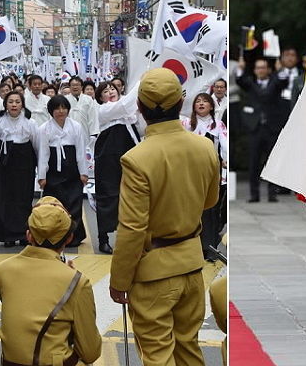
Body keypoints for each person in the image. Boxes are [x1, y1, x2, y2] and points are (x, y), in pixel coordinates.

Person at [110, 68, 220, 366]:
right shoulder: (205, 146)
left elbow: (132, 229)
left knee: (158, 356)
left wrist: (119, 281)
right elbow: (210, 201)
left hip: (154, 273)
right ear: (181, 101)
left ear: (140, 107)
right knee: (189, 350)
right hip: (191, 263)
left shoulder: (137, 159)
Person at [0, 196, 102, 366]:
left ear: (29, 235)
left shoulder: (1, 270)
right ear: (69, 238)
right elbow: (90, 352)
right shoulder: (77, 282)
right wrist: (67, 273)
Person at [0, 91, 39, 247]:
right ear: (5, 104)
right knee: (2, 198)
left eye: (17, 102)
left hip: (24, 163)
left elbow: (37, 146)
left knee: (23, 198)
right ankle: (6, 235)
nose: (14, 105)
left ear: (22, 104)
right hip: (2, 164)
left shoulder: (30, 123)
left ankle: (23, 233)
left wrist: (42, 167)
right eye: (11, 102)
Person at [93, 82, 139, 254]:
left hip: (130, 153)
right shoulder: (104, 110)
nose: (110, 92)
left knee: (132, 196)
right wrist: (141, 81)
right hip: (108, 156)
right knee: (108, 196)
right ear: (100, 97)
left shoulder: (129, 113)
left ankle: (129, 238)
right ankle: (103, 239)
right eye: (105, 91)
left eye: (113, 89)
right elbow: (125, 105)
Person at [235, 57, 289, 202]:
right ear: (254, 70)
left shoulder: (275, 82)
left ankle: (272, 194)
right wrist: (240, 67)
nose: (261, 70)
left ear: (268, 70)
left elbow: (284, 81)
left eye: (263, 67)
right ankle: (254, 195)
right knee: (253, 162)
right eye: (258, 68)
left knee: (271, 162)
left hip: (271, 128)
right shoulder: (250, 84)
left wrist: (281, 69)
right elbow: (240, 80)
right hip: (255, 128)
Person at [38, 95, 89, 247]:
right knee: (54, 204)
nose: (61, 111)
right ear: (51, 111)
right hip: (53, 170)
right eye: (57, 108)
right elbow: (43, 154)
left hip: (72, 169)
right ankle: (54, 236)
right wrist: (42, 176)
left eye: (63, 107)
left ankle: (74, 236)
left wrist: (83, 173)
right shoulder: (44, 129)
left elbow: (81, 151)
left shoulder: (76, 126)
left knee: (74, 203)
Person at [181, 93, 227, 261]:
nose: (201, 104)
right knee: (191, 209)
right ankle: (190, 247)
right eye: (198, 101)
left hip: (211, 171)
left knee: (210, 208)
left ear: (211, 106)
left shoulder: (218, 125)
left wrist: (226, 159)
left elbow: (225, 143)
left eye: (205, 101)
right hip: (190, 171)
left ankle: (209, 247)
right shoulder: (186, 124)